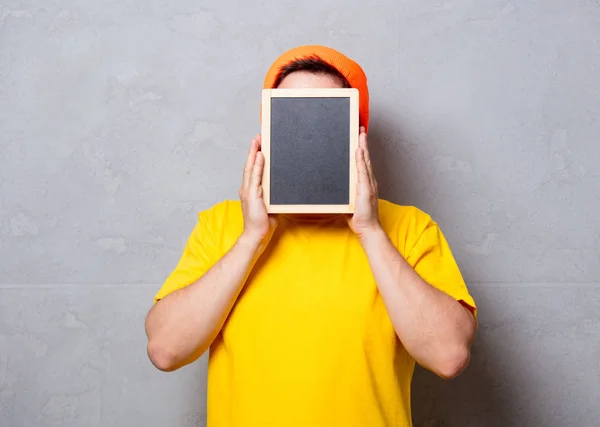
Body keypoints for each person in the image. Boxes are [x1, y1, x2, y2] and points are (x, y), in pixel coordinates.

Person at [145, 45, 477, 427]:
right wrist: (252, 237)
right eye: (291, 120)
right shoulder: (222, 225)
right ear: (267, 135)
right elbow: (165, 350)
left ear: (357, 137)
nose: (307, 137)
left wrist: (370, 231)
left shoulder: (408, 228)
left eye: (324, 119)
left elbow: (449, 355)